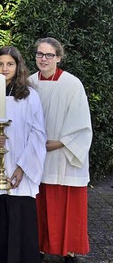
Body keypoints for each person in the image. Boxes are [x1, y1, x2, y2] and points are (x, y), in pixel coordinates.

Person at [29, 37, 92, 262]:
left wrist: (58, 143)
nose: (43, 59)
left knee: (67, 205)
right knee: (40, 203)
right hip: (36, 155)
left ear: (59, 57)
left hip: (64, 153)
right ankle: (39, 246)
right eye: (39, 54)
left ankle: (70, 250)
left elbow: (81, 121)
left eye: (49, 55)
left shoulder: (72, 84)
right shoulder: (28, 83)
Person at [0, 46, 46, 263]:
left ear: (18, 66)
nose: (4, 68)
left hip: (21, 170)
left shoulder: (30, 97)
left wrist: (22, 167)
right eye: (0, 64)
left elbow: (38, 135)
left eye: (10, 64)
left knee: (20, 228)